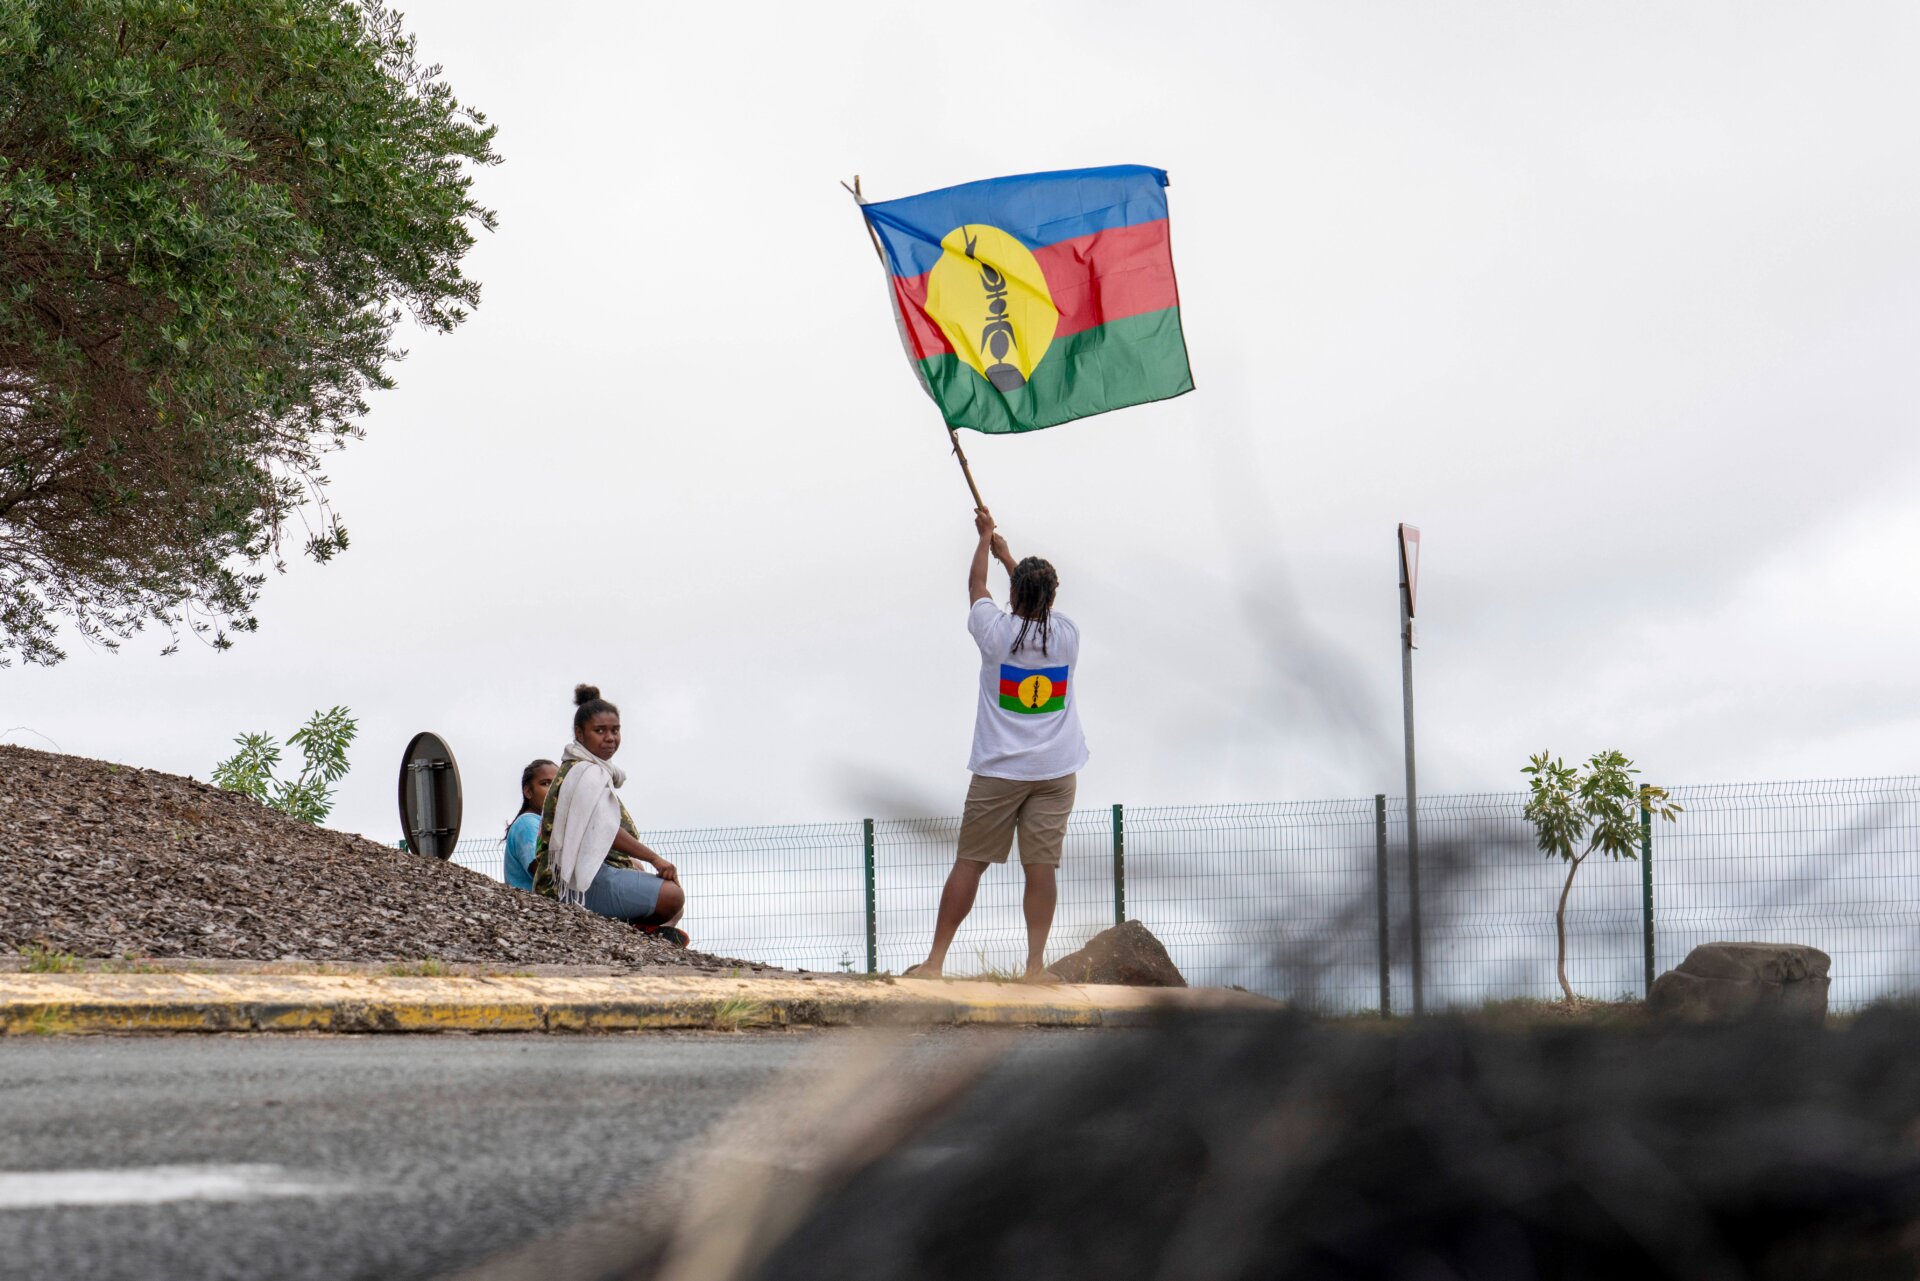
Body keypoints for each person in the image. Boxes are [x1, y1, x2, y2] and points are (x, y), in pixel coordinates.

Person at [910, 508, 1088, 981]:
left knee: (969, 863)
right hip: (1055, 772)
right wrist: (1011, 558)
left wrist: (986, 539)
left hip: (998, 772)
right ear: (1052, 597)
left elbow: (975, 588)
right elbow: (1034, 601)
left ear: (1014, 595)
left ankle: (934, 963)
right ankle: (1034, 968)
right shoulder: (1067, 638)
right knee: (1041, 868)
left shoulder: (995, 635)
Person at [530, 684, 688, 945]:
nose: (610, 738)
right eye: (600, 731)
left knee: (674, 901)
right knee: (672, 897)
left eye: (615, 730)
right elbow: (605, 831)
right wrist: (654, 859)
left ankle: (637, 929)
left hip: (595, 874)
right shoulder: (586, 774)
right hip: (577, 885)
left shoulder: (591, 770)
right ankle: (636, 929)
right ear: (580, 734)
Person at [503, 759, 556, 891]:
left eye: (557, 784)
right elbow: (542, 873)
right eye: (545, 783)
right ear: (528, 792)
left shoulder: (544, 823)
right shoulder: (527, 824)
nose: (554, 790)